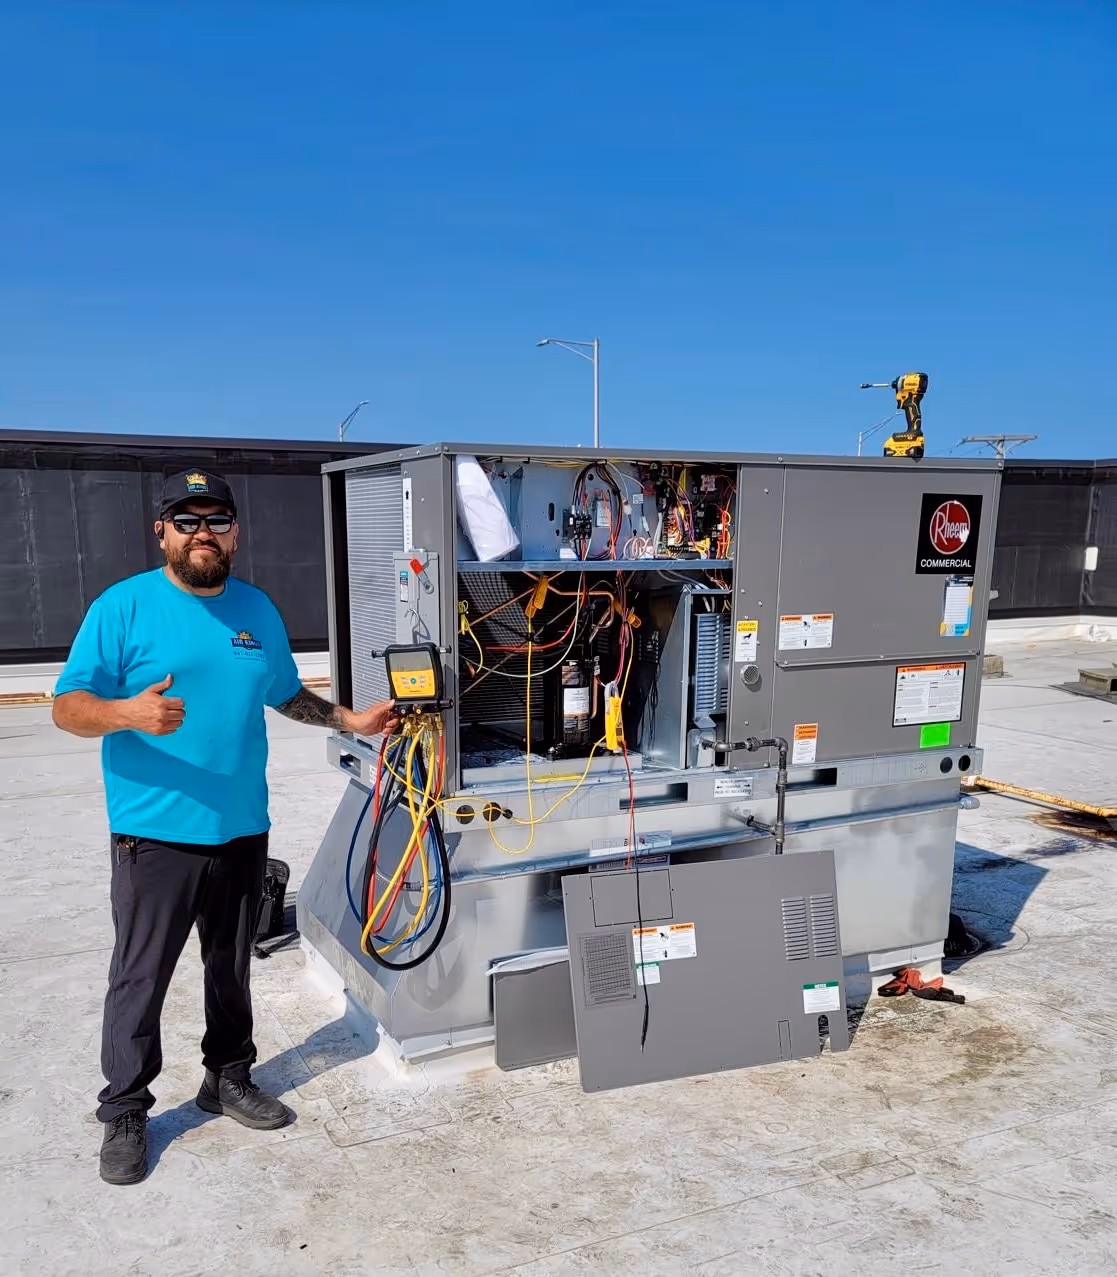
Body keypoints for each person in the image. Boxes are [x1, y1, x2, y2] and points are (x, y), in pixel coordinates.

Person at [52, 468, 397, 1186]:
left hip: (241, 827)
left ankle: (228, 1076)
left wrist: (349, 719)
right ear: (163, 532)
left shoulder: (256, 610)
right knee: (140, 977)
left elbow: (284, 693)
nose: (202, 532)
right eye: (187, 519)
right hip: (155, 833)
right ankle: (124, 1107)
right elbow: (67, 705)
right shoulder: (124, 607)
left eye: (216, 519)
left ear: (235, 532)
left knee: (229, 967)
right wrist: (125, 713)